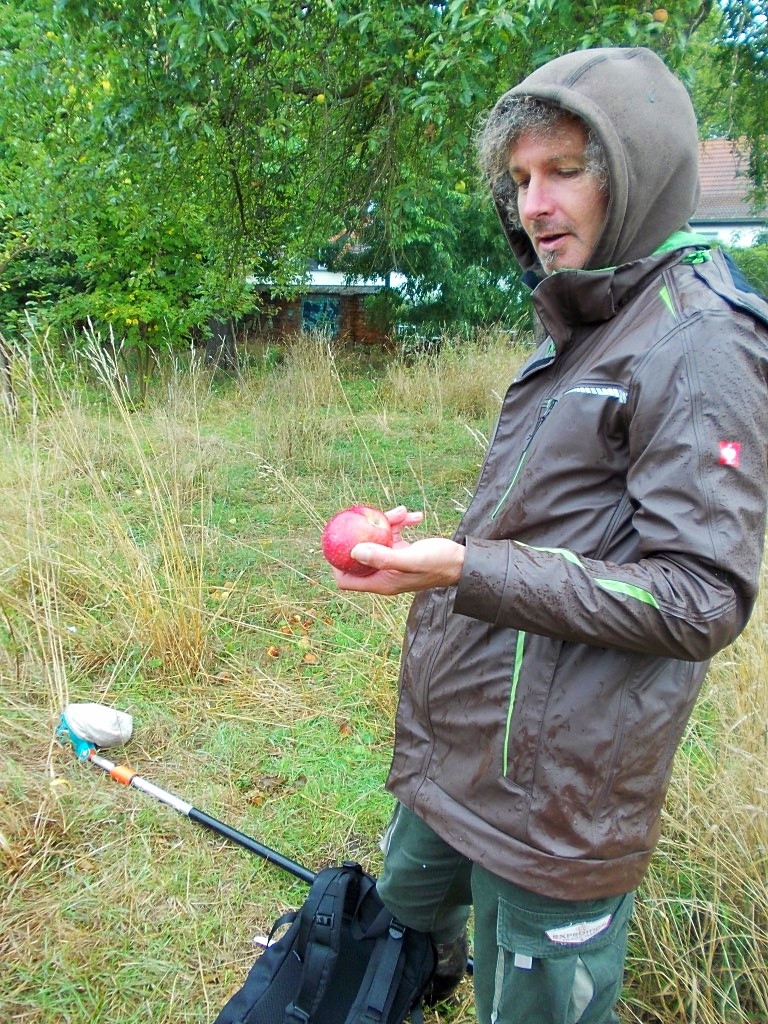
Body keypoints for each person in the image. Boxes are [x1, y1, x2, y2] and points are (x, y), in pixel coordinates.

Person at [331, 47, 768, 1023]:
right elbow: (548, 525)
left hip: (559, 795)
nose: (534, 203)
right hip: (464, 752)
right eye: (522, 177)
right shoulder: (579, 321)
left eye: (566, 169)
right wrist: (445, 551)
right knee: (398, 929)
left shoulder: (700, 341)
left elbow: (699, 595)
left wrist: (467, 567)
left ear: (638, 170)